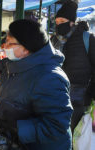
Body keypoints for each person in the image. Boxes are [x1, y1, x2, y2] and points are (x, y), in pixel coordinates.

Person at [0, 19, 73, 150]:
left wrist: (16, 127)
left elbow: (57, 126)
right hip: (19, 141)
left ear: (26, 48)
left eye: (10, 43)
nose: (5, 46)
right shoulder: (18, 63)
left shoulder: (50, 78)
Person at [51, 0, 95, 132]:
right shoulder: (54, 40)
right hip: (56, 96)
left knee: (76, 133)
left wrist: (90, 95)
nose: (59, 25)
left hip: (80, 99)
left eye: (62, 21)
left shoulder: (87, 39)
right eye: (57, 22)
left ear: (72, 22)